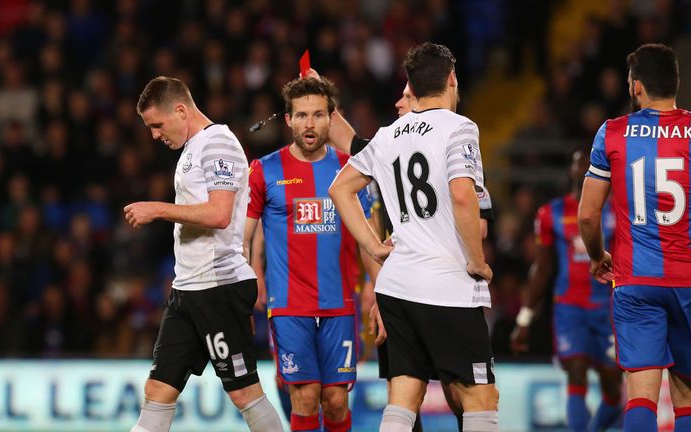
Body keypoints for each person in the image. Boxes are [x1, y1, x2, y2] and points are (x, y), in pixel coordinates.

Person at [312, 68, 495, 432]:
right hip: (444, 286)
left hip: (399, 285)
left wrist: (377, 248)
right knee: (476, 396)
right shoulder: (421, 140)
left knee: (407, 394)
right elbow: (344, 136)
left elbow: (342, 175)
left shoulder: (392, 141)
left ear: (421, 101)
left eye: (407, 97)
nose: (398, 102)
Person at [124, 76, 284, 432]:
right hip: (189, 289)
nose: (154, 135)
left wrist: (158, 209)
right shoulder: (192, 150)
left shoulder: (218, 144)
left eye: (157, 125)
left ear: (180, 110)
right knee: (157, 390)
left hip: (218, 286)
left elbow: (219, 214)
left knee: (244, 394)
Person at [244, 76, 378, 432]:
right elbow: (242, 237)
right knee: (305, 396)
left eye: (318, 115)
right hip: (289, 305)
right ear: (287, 119)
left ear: (331, 119)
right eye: (301, 115)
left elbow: (368, 239)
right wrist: (243, 287)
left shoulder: (351, 170)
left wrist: (376, 291)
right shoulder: (264, 170)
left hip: (339, 303)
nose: (309, 123)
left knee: (335, 401)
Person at [579, 43, 691, 432]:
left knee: (641, 396)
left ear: (636, 87)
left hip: (636, 281)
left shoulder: (612, 133)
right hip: (688, 282)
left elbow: (589, 215)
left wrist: (597, 256)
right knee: (687, 399)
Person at [510, 147, 623, 431]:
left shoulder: (616, 212)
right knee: (576, 375)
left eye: (589, 163)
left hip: (607, 309)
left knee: (613, 392)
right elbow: (542, 267)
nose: (583, 167)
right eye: (578, 163)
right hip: (569, 309)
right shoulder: (551, 213)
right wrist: (524, 318)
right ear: (571, 171)